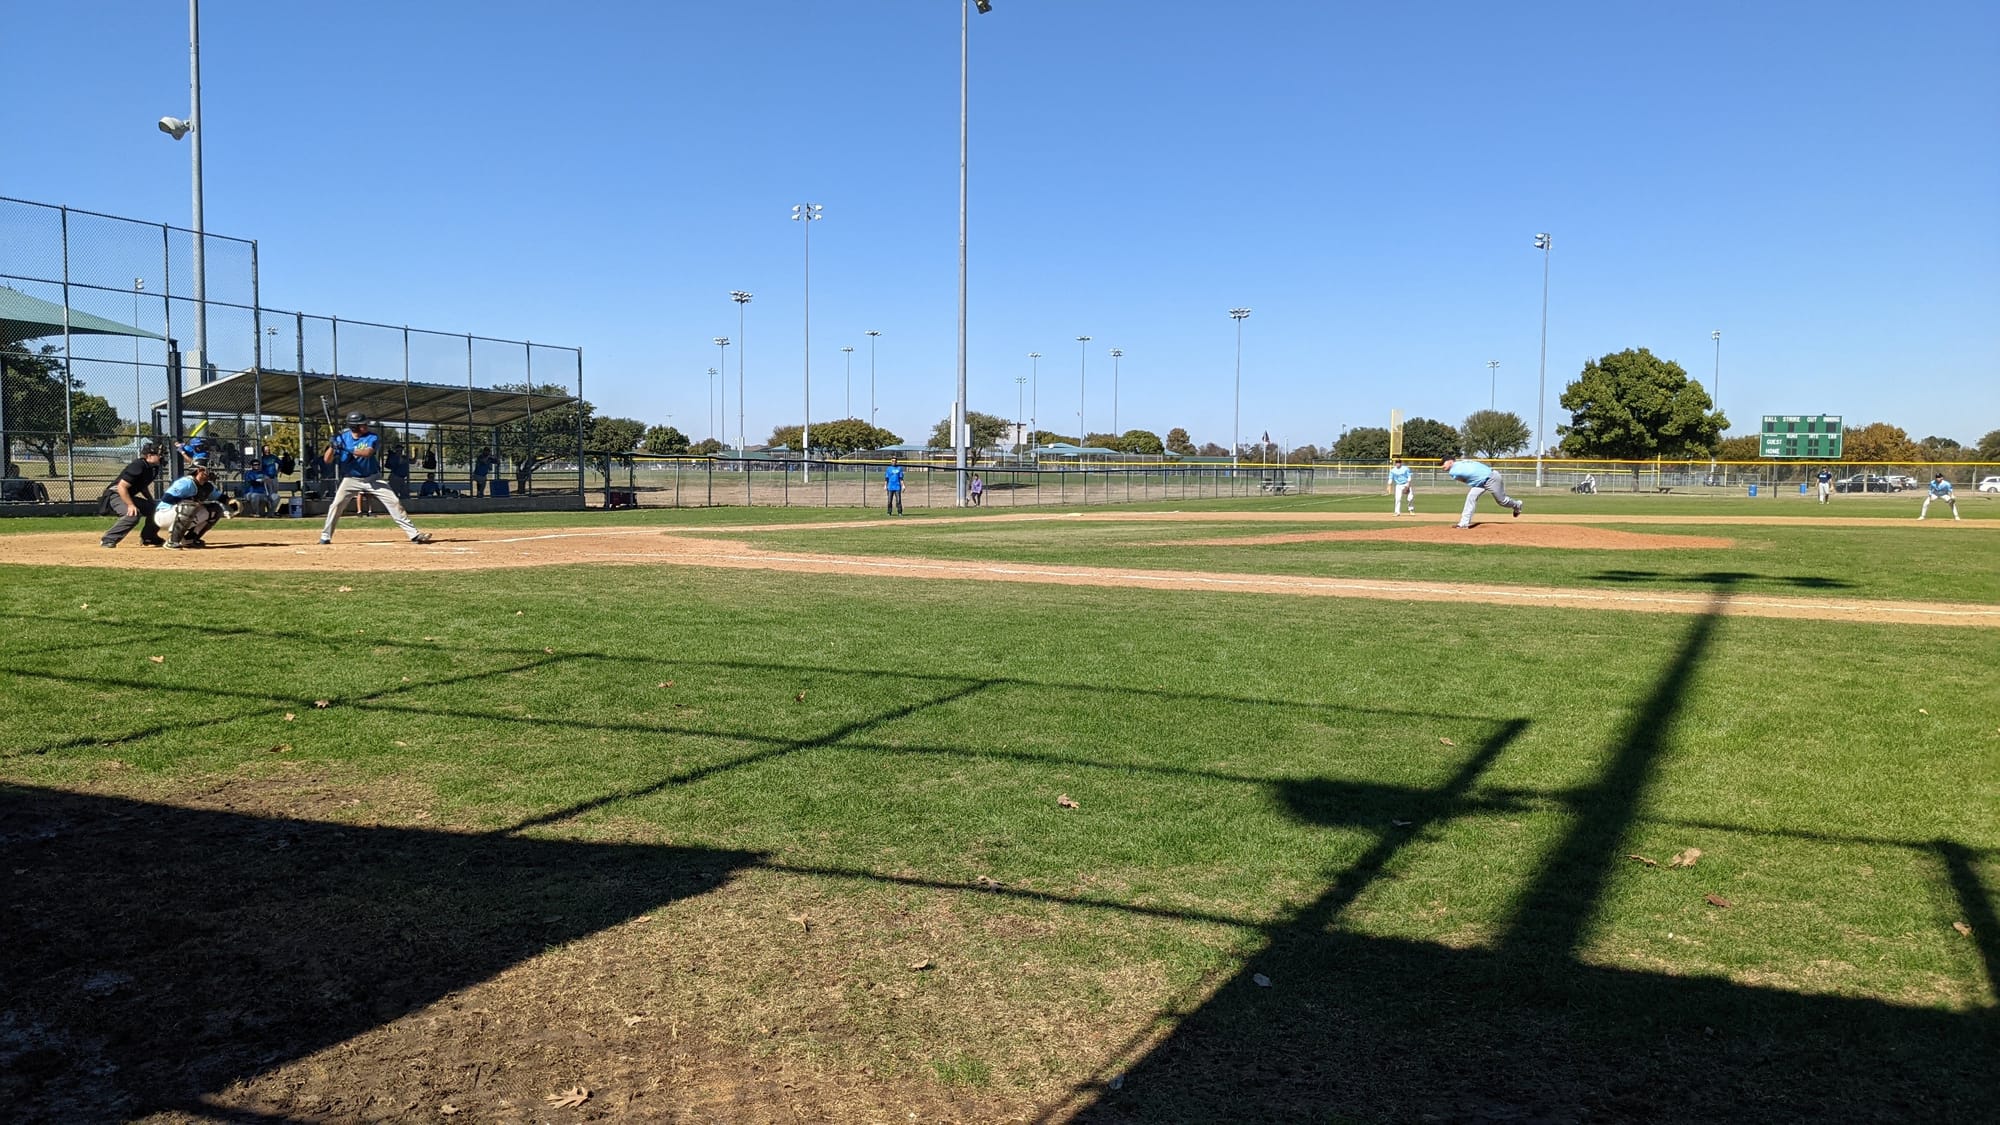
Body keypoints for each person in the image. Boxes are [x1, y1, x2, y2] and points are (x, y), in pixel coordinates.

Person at [319, 412, 434, 545]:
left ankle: (414, 534)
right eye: (363, 424)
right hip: (351, 479)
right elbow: (327, 460)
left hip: (373, 478)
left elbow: (367, 453)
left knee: (394, 502)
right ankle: (325, 536)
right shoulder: (342, 438)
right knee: (336, 506)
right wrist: (332, 446)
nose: (366, 425)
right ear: (355, 426)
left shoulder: (372, 437)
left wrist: (346, 448)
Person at [100, 442, 167, 548]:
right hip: (115, 495)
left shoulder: (153, 468)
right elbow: (121, 487)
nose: (162, 457)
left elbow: (143, 486)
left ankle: (149, 537)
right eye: (160, 454)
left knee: (156, 509)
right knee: (132, 515)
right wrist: (130, 505)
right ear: (149, 456)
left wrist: (150, 501)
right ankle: (109, 539)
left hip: (127, 495)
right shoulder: (138, 465)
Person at [1440, 454, 1522, 528]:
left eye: (1444, 463)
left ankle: (1517, 505)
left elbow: (1467, 477)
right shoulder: (1463, 463)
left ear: (1450, 462)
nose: (1442, 466)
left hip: (1491, 478)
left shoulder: (1453, 471)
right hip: (1479, 483)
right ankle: (1464, 523)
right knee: (1471, 497)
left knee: (1502, 501)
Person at [160, 462, 222, 548]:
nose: (211, 473)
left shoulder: (207, 486)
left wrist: (231, 503)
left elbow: (221, 497)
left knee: (215, 509)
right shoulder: (186, 482)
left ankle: (189, 539)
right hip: (164, 514)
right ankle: (172, 541)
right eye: (208, 470)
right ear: (199, 471)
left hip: (181, 512)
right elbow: (167, 499)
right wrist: (190, 501)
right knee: (190, 506)